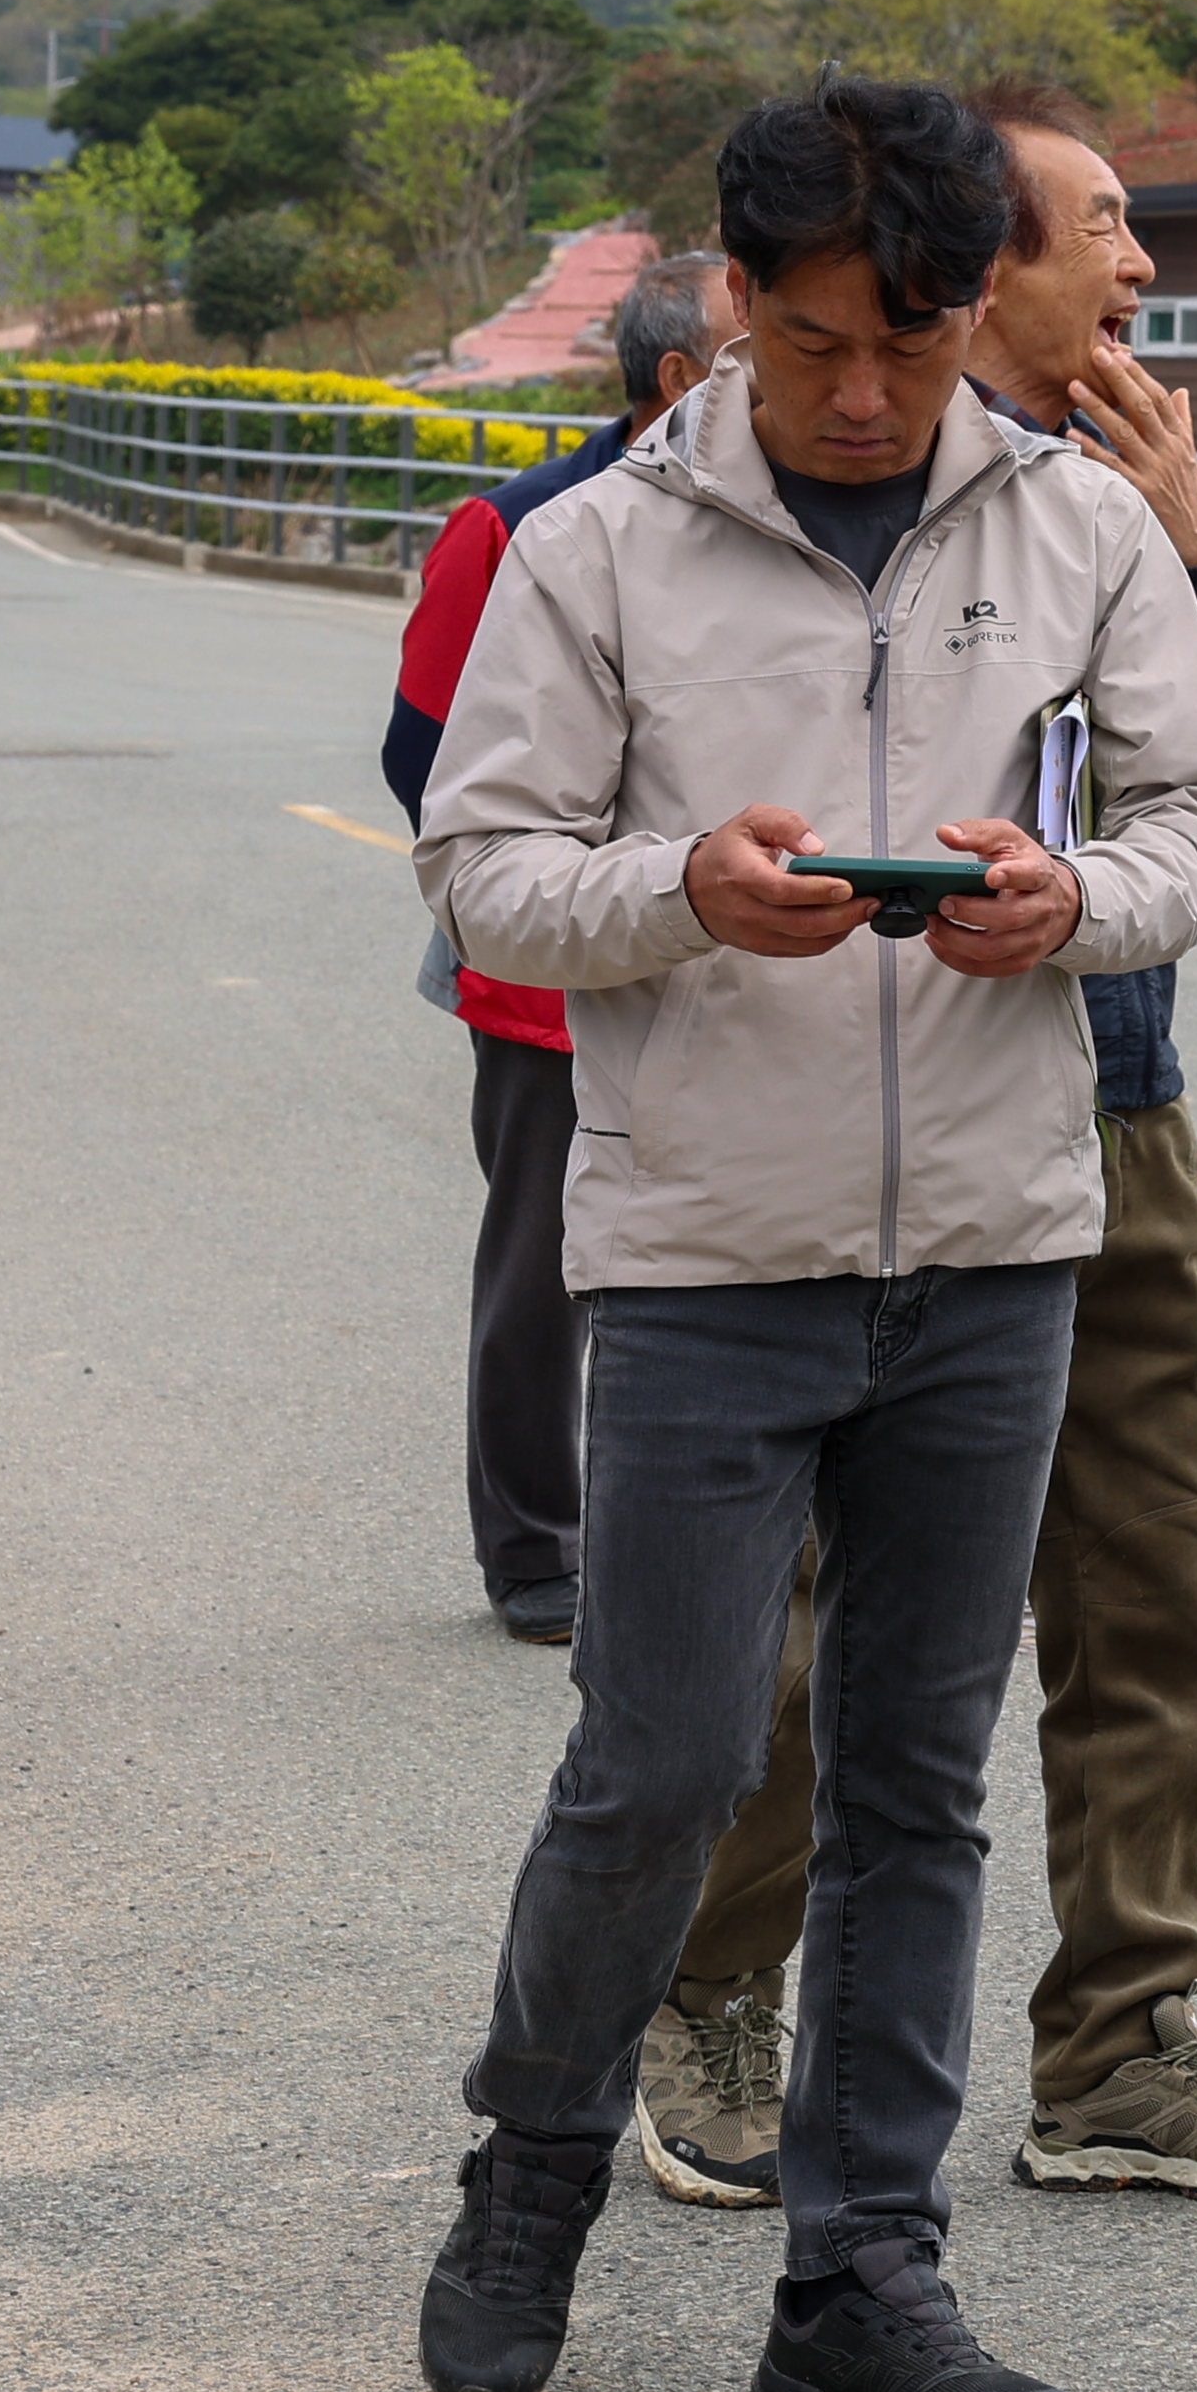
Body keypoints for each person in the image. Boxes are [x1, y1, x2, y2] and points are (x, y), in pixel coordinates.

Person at [406, 72, 1197, 2392]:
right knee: (659, 1757)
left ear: (979, 305)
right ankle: (528, 2178)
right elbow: (484, 861)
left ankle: (861, 2275)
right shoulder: (605, 549)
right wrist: (688, 888)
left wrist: (1069, 905)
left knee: (915, 1775)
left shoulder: (1080, 523)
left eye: (911, 339)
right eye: (810, 345)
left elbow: (1196, 806)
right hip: (701, 1253)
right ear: (731, 297)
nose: (865, 393)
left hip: (992, 1243)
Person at [637, 88, 1197, 2213]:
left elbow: (1190, 805)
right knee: (812, 1610)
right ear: (969, 258)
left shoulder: (1116, 500)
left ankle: (1123, 2037)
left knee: (1154, 1578)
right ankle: (706, 1988)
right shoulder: (786, 493)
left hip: (1110, 1100)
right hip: (839, 1108)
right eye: (1105, 227)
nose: (1141, 269)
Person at [383, 248, 732, 1645]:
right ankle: (535, 1549)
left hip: (729, 952)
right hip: (547, 970)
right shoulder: (518, 526)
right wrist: (574, 874)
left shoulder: (761, 526)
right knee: (547, 1260)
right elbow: (424, 752)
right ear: (677, 381)